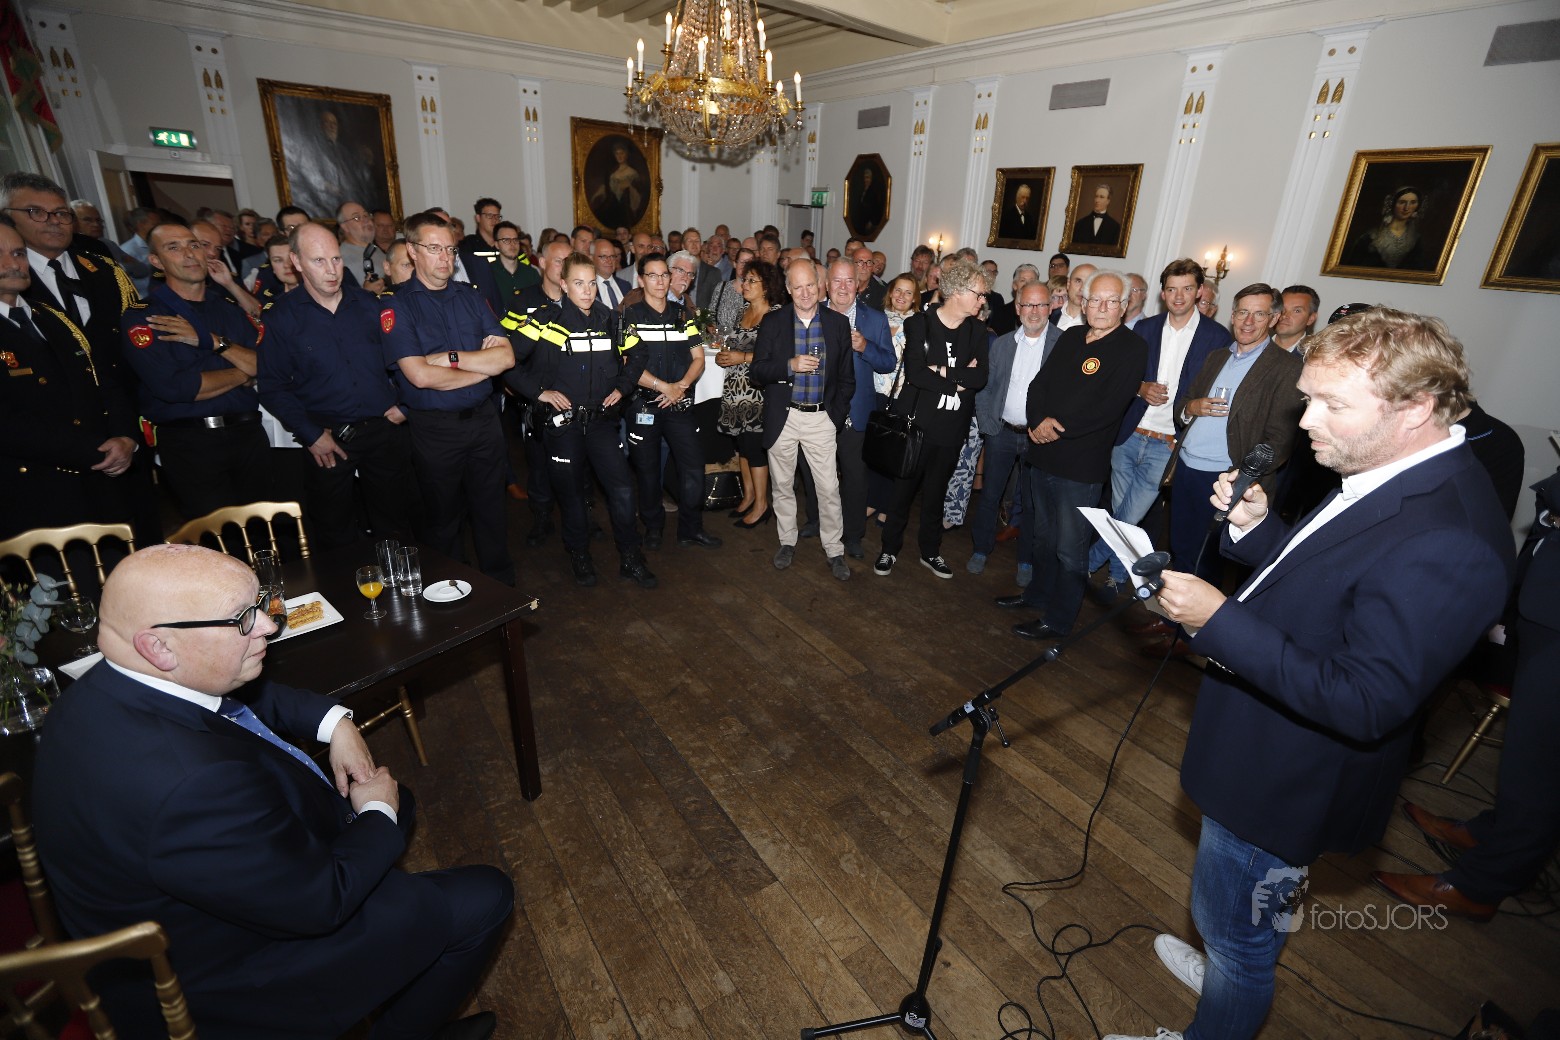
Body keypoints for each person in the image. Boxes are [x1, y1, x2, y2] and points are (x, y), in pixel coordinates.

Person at [1109, 308, 1514, 1040]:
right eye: (1308, 399)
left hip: (1287, 777)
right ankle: (1226, 972)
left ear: (1415, 408)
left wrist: (1216, 619)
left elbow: (1366, 699)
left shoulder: (1451, 536)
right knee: (1235, 921)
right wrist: (1257, 530)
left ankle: (1227, 991)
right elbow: (1332, 586)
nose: (1306, 422)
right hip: (1263, 744)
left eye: (1332, 404)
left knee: (1237, 937)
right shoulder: (1390, 468)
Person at [32, 544, 512, 1040]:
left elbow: (234, 693)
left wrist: (336, 723)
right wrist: (375, 811)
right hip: (230, 980)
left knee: (397, 809)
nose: (268, 625)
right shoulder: (191, 785)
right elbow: (320, 902)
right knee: (485, 896)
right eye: (242, 619)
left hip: (217, 901)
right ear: (159, 646)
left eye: (259, 605)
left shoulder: (103, 687)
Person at [1372, 465, 1559, 922]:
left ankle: (1479, 887)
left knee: (1540, 767)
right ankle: (1493, 833)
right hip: (1546, 605)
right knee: (1525, 756)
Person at [995, 269, 1145, 640]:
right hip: (1043, 455)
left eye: (1111, 301)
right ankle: (1037, 595)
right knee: (1042, 538)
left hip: (1080, 466)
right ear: (1084, 301)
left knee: (1069, 548)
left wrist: (1055, 426)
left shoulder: (1132, 348)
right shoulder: (1073, 336)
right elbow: (1039, 384)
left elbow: (1108, 408)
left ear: (1124, 306)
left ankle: (1059, 619)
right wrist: (1036, 421)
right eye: (1096, 300)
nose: (1102, 307)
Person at [257, 223, 418, 549]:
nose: (331, 270)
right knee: (334, 532)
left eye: (336, 259)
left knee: (396, 524)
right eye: (319, 261)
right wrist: (311, 434)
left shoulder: (371, 305)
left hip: (383, 430)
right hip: (326, 438)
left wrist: (405, 404)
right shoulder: (282, 317)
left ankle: (399, 580)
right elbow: (272, 386)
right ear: (297, 262)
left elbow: (406, 358)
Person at [382, 212, 517, 585]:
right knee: (444, 519)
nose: (445, 257)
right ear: (412, 251)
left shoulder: (470, 296)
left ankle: (501, 591)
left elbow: (506, 357)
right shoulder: (398, 305)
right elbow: (420, 376)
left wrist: (453, 358)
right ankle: (452, 592)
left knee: (492, 512)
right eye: (434, 248)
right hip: (436, 430)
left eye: (450, 249)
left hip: (484, 422)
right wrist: (483, 369)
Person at [507, 252, 655, 589]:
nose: (587, 291)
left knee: (621, 489)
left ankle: (630, 556)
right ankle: (579, 554)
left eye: (591, 284)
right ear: (563, 284)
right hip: (564, 425)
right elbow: (507, 359)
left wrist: (622, 387)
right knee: (572, 494)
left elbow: (639, 353)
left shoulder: (611, 319)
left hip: (602, 423)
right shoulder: (545, 320)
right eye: (578, 283)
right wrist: (539, 393)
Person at [1088, 258, 1233, 601]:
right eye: (1171, 289)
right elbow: (1121, 375)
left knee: (1128, 515)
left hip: (1169, 443)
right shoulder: (1145, 328)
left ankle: (1085, 561)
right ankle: (1118, 576)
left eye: (1186, 288)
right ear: (1162, 293)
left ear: (1199, 291)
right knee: (1125, 514)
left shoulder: (1217, 337)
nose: (1178, 296)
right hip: (1129, 433)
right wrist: (1140, 388)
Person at [0, 215, 138, 546]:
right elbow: (7, 425)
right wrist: (93, 450)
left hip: (101, 484)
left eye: (18, 253)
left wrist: (126, 436)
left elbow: (104, 382)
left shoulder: (52, 318)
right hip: (32, 496)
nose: (13, 264)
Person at [1161, 283, 1304, 601]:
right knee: (1181, 548)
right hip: (1186, 467)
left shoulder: (1287, 367)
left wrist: (1242, 479)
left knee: (1207, 561)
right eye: (1242, 312)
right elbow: (1183, 404)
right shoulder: (1216, 357)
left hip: (1226, 478)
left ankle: (1197, 626)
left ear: (1274, 318)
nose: (1248, 321)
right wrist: (1191, 407)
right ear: (1232, 315)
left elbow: (1280, 441)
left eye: (1259, 314)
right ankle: (1172, 618)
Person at [121, 223, 274, 519]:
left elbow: (264, 366)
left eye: (194, 245)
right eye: (174, 247)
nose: (189, 254)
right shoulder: (147, 317)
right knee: (214, 536)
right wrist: (243, 373)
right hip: (190, 442)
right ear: (156, 261)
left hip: (248, 435)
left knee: (263, 529)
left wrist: (212, 341)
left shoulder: (228, 308)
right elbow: (176, 388)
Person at [874, 258, 988, 579]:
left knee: (936, 494)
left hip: (951, 429)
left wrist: (941, 370)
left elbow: (980, 378)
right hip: (916, 425)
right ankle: (888, 549)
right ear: (957, 291)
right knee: (902, 492)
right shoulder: (919, 324)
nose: (983, 301)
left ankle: (930, 551)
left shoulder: (978, 330)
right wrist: (958, 380)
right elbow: (916, 374)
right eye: (979, 294)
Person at [750, 260, 854, 580]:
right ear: (788, 289)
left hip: (821, 418)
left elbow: (847, 379)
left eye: (810, 285)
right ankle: (787, 541)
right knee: (782, 486)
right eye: (798, 287)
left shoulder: (837, 324)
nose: (805, 293)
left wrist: (834, 418)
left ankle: (834, 549)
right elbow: (757, 372)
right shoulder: (773, 322)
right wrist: (790, 365)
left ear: (820, 286)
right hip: (784, 416)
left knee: (828, 488)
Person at [623, 253, 720, 551]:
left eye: (664, 274)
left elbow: (698, 358)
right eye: (652, 275)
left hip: (679, 403)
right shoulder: (630, 316)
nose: (660, 281)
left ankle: (691, 528)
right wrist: (664, 387)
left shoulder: (683, 315)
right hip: (645, 404)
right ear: (641, 280)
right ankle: (653, 527)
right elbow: (628, 364)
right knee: (648, 471)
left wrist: (680, 387)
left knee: (693, 467)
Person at [969, 280, 1059, 577]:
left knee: (1033, 503)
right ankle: (980, 549)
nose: (1034, 311)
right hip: (1002, 433)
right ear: (1018, 308)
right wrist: (988, 425)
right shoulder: (1002, 343)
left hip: (1039, 439)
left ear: (1050, 307)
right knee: (990, 496)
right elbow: (985, 387)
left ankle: (1026, 561)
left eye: (1041, 304)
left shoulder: (1062, 344)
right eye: (1028, 304)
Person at [823, 258, 896, 559]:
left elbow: (889, 363)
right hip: (816, 410)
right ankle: (817, 522)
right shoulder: (811, 314)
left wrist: (865, 346)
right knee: (818, 475)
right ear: (826, 284)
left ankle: (853, 534)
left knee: (854, 476)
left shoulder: (875, 320)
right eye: (837, 281)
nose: (843, 287)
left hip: (855, 412)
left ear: (858, 285)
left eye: (849, 281)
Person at [715, 258, 782, 529]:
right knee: (742, 446)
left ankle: (762, 505)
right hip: (735, 390)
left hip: (758, 392)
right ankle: (749, 496)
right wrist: (725, 356)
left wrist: (740, 357)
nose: (745, 284)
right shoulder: (742, 310)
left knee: (754, 448)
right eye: (745, 280)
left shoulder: (776, 315)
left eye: (752, 280)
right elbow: (733, 344)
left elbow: (778, 356)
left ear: (766, 287)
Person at [1343, 185, 1429, 270]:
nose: (1407, 208)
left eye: (1413, 202)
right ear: (1392, 204)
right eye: (1402, 202)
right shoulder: (1369, 238)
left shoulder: (1416, 239)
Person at [335, 200, 387, 293]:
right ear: (344, 226)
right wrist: (366, 293)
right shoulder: (341, 259)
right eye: (357, 217)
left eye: (366, 215)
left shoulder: (373, 249)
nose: (366, 220)